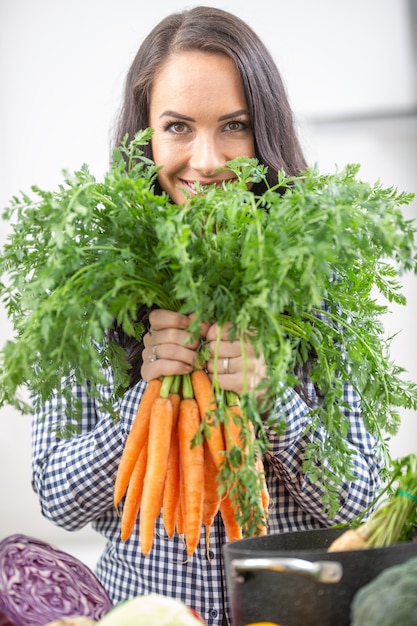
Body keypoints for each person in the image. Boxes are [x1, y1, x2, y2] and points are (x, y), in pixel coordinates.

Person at [31, 6, 382, 626]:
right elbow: (57, 499)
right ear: (144, 135)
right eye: (177, 127)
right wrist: (146, 398)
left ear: (264, 132)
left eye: (234, 126)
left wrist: (272, 395)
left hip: (293, 612)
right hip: (145, 615)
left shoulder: (314, 275)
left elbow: (359, 498)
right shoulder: (92, 285)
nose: (209, 159)